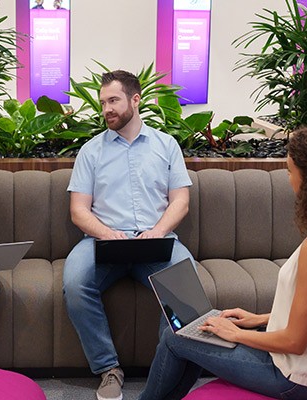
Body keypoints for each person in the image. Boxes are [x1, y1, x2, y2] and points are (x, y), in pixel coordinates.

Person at [140, 127, 307, 400]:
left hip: (297, 379)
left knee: (175, 338)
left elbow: (295, 342)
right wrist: (260, 319)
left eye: (290, 171)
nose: (288, 179)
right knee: (202, 330)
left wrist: (235, 334)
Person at [64, 69, 196, 400]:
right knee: (75, 284)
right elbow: (79, 210)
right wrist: (107, 234)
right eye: (103, 102)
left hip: (157, 239)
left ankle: (166, 371)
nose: (106, 108)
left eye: (113, 100)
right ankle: (108, 369)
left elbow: (181, 201)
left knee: (186, 286)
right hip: (102, 241)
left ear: (135, 100)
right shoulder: (91, 151)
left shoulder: (166, 145)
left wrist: (158, 232)